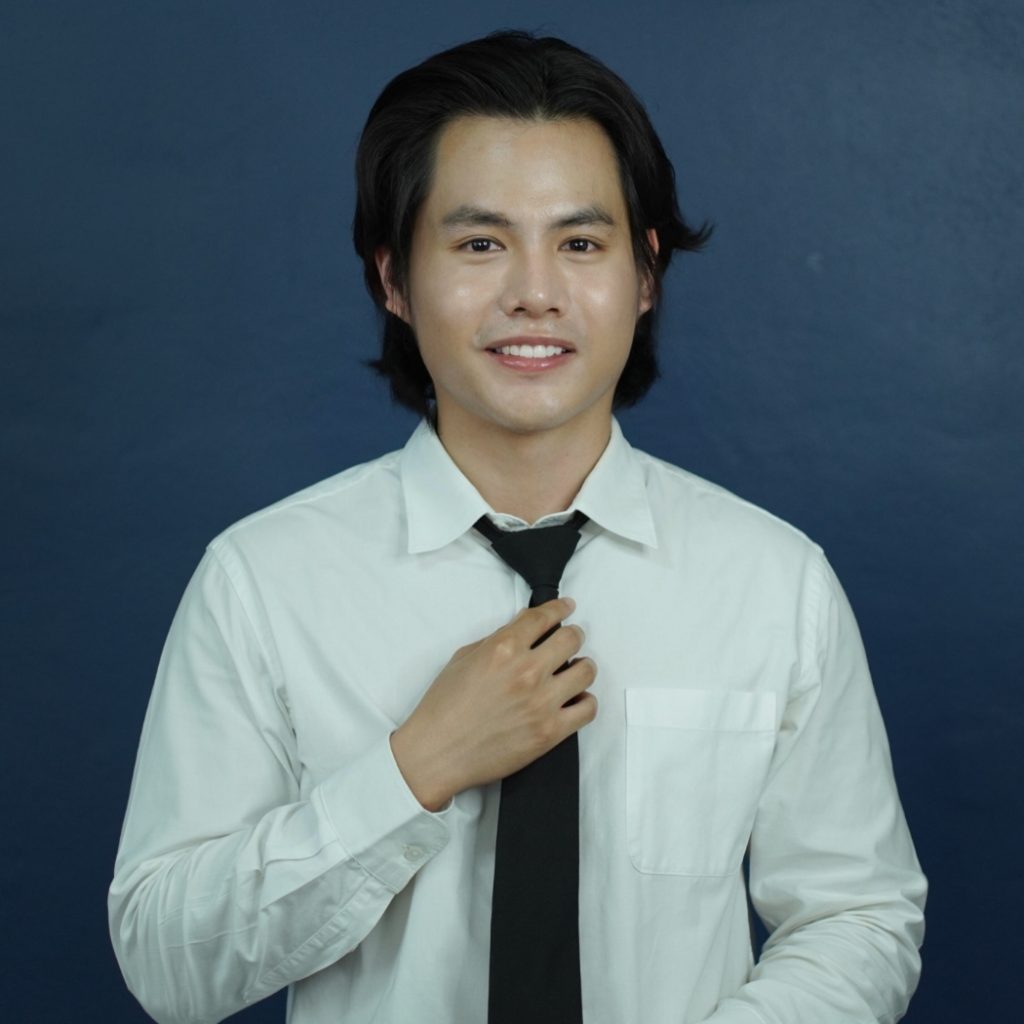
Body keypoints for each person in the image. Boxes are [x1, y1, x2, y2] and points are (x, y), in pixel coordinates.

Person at [109, 30, 926, 1024]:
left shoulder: (774, 581)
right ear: (392, 278)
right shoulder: (261, 581)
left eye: (580, 243)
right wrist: (415, 771)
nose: (534, 290)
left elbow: (860, 912)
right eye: (479, 242)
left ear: (644, 274)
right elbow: (165, 962)